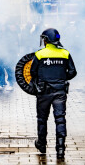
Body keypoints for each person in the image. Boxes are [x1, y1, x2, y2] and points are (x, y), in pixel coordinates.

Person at [30, 28, 77, 159]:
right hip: (60, 91)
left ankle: (42, 144)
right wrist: (61, 78)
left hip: (44, 92)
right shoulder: (65, 53)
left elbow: (32, 72)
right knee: (60, 120)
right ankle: (60, 149)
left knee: (42, 119)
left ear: (46, 40)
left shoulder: (40, 54)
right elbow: (73, 72)